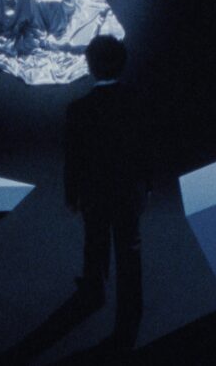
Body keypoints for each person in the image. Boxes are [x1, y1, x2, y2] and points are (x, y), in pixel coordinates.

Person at [64, 36, 148, 350]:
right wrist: (146, 185)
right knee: (129, 249)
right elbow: (144, 149)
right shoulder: (137, 102)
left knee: (94, 239)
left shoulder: (79, 110)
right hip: (127, 190)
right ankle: (129, 314)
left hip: (95, 191)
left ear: (90, 66)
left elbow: (73, 157)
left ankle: (93, 289)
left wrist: (71, 194)